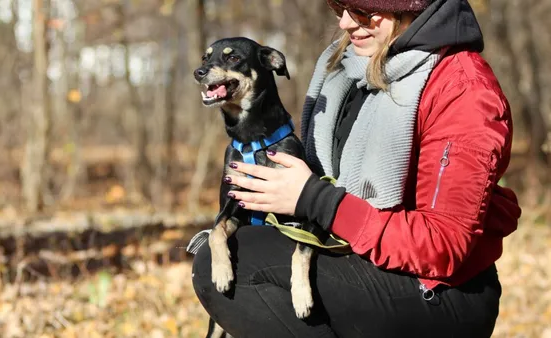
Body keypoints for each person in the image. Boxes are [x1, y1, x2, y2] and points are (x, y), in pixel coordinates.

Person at [191, 0, 522, 336]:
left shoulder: (461, 89)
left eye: (364, 12)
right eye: (340, 10)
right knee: (228, 250)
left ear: (408, 8)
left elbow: (442, 245)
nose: (347, 23)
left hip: (443, 290)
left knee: (239, 269)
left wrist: (316, 200)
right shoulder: (347, 71)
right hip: (359, 252)